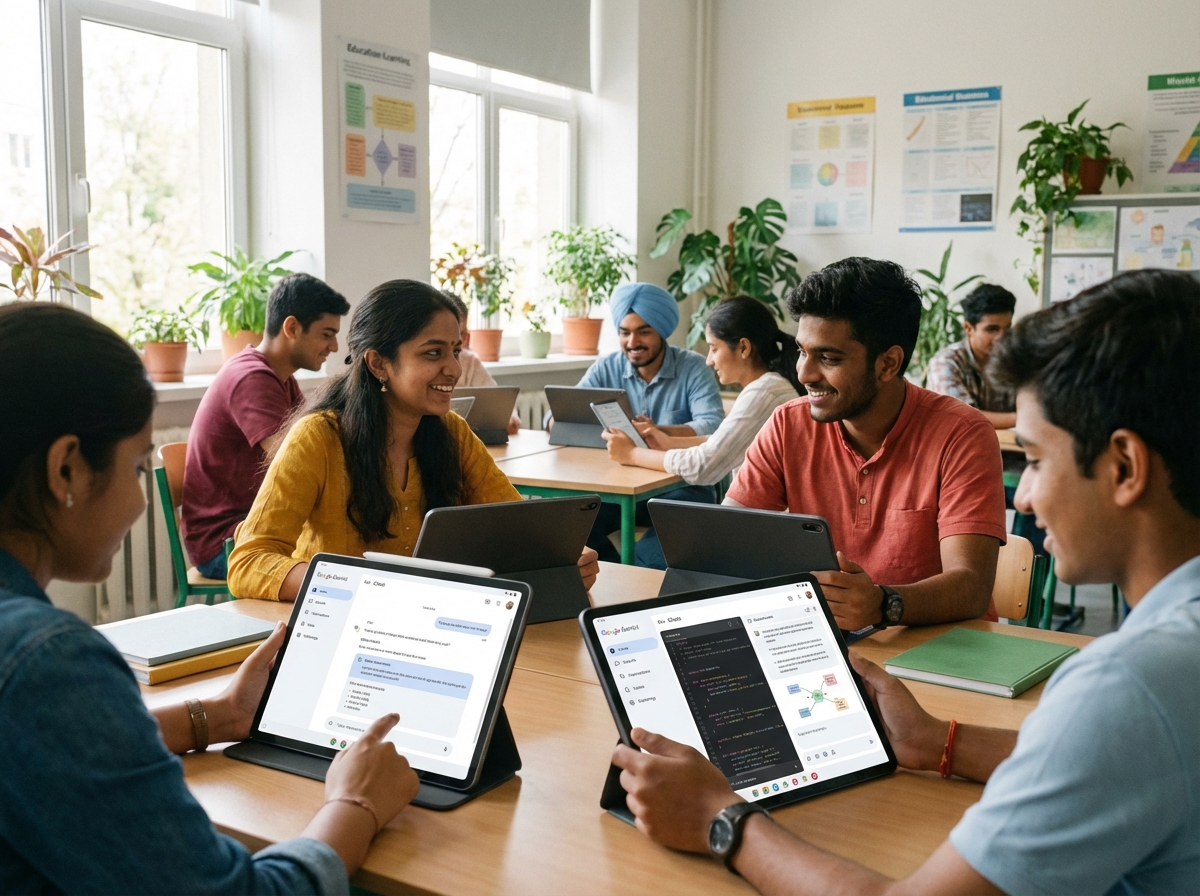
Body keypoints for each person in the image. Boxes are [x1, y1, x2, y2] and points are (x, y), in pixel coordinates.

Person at [610, 269, 1200, 895]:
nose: (1022, 494)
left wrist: (720, 818)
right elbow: (1101, 761)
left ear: (1126, 466)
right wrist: (936, 742)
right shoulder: (1158, 670)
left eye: (1034, 457)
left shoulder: (1129, 684)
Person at [0, 303, 419, 892]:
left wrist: (217, 716)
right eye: (140, 466)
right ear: (66, 470)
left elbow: (36, 748)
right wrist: (357, 804)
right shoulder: (47, 662)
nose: (145, 501)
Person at [228, 280, 598, 601]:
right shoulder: (318, 438)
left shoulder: (452, 432)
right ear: (378, 364)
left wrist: (562, 558)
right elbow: (248, 561)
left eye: (455, 350)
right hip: (346, 628)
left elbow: (519, 528)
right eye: (433, 353)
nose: (454, 369)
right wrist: (356, 585)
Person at [726, 257, 1007, 630]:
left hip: (940, 651)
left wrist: (882, 605)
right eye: (801, 351)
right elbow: (724, 541)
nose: (804, 373)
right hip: (829, 643)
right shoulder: (788, 424)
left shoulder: (962, 434)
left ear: (888, 363)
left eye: (828, 357)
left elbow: (970, 587)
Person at [602, 297, 800, 567]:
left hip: (750, 530)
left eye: (713, 348)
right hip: (746, 521)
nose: (708, 360)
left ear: (743, 347)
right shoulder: (767, 388)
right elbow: (727, 443)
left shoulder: (763, 392)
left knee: (644, 558)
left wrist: (632, 454)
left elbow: (704, 466)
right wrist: (668, 441)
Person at [183, 273, 350, 580]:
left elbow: (315, 442)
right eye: (327, 334)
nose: (335, 347)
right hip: (226, 542)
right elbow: (294, 460)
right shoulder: (251, 378)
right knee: (337, 559)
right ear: (291, 328)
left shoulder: (280, 379)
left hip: (250, 525)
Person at [571, 282, 725, 565]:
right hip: (619, 488)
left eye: (644, 331)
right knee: (570, 529)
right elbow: (563, 413)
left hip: (682, 488)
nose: (632, 342)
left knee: (650, 558)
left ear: (662, 331)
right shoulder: (607, 366)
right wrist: (560, 414)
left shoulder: (692, 367)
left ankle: (634, 580)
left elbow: (714, 426)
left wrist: (659, 432)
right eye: (624, 332)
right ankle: (615, 578)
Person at [924, 283, 1017, 430]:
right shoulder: (946, 362)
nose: (1002, 337)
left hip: (1004, 447)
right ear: (968, 328)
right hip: (957, 449)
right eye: (992, 329)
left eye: (1007, 328)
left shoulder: (1011, 358)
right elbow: (964, 417)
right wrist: (1020, 419)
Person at [442, 291, 520, 436]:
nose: (460, 341)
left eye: (462, 335)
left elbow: (500, 402)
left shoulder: (469, 361)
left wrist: (509, 417)